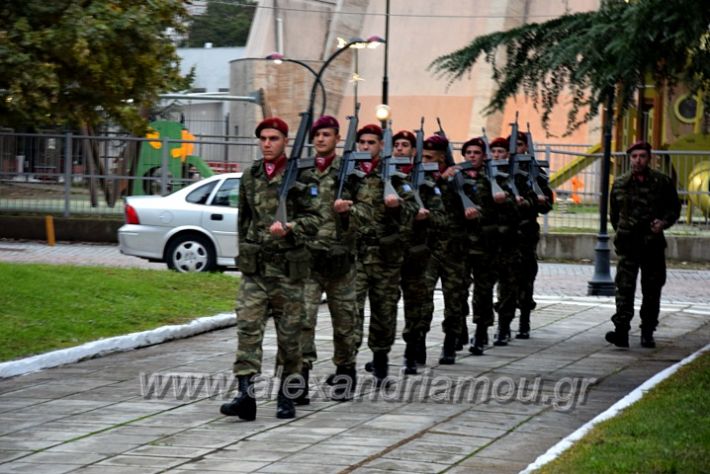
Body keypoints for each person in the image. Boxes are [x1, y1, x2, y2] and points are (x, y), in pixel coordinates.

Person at [220, 117, 323, 421]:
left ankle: (286, 396)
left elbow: (316, 220)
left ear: (285, 141)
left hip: (288, 272)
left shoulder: (303, 176)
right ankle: (245, 396)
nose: (267, 144)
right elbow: (244, 219)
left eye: (273, 138)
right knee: (247, 330)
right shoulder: (251, 175)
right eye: (263, 138)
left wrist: (291, 227)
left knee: (290, 337)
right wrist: (245, 253)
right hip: (256, 270)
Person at [335, 123, 417, 385]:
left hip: (385, 257)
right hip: (356, 255)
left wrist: (396, 208)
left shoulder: (393, 177)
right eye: (363, 143)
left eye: (371, 143)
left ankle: (380, 361)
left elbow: (414, 211)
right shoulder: (350, 176)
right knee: (351, 313)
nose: (366, 147)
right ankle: (346, 369)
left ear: (382, 146)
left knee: (384, 311)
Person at [300, 115, 359, 401]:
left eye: (326, 135)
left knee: (345, 322)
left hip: (341, 263)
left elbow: (371, 216)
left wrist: (348, 213)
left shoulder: (352, 173)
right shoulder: (301, 172)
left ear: (337, 138)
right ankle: (299, 380)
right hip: (309, 261)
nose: (321, 139)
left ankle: (345, 374)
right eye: (317, 135)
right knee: (303, 321)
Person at [605, 141, 680, 348]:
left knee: (652, 289)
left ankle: (647, 331)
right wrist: (623, 231)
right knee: (624, 288)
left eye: (642, 156)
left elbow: (674, 209)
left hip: (652, 245)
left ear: (649, 158)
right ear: (629, 158)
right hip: (628, 245)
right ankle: (621, 331)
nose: (638, 160)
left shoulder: (661, 182)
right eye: (634, 156)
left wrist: (663, 222)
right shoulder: (620, 183)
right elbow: (614, 215)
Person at [394, 130, 446, 374]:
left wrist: (425, 216)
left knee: (416, 303)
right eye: (396, 145)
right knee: (385, 304)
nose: (400, 149)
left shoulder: (426, 182)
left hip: (417, 252)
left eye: (405, 145)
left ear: (414, 151)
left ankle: (414, 346)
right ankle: (381, 351)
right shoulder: (387, 179)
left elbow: (441, 217)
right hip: (390, 252)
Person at [420, 135, 470, 365]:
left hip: (453, 248)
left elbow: (471, 203)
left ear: (442, 156)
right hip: (428, 247)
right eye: (423, 155)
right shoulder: (421, 177)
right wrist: (439, 179)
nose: (426, 159)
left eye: (430, 156)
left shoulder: (459, 176)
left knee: (454, 298)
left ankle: (450, 341)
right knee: (422, 297)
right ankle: (417, 342)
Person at [458, 138, 508, 355]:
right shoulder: (456, 178)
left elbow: (509, 214)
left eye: (476, 152)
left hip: (485, 245)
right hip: (459, 245)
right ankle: (458, 329)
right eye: (468, 152)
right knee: (458, 291)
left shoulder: (494, 180)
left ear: (483, 156)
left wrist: (501, 202)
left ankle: (481, 331)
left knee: (483, 291)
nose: (472, 156)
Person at [509, 133, 554, 339]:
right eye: (512, 145)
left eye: (518, 145)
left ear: (526, 147)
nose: (515, 149)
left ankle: (524, 318)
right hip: (504, 232)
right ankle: (504, 321)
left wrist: (534, 202)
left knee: (526, 276)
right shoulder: (499, 170)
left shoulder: (534, 172)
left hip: (526, 232)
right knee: (506, 278)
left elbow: (546, 204)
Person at [487, 136, 525, 346]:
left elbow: (523, 207)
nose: (497, 155)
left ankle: (504, 326)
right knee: (484, 287)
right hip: (487, 241)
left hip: (510, 240)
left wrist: (513, 201)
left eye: (501, 151)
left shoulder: (516, 177)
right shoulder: (483, 177)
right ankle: (482, 326)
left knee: (508, 287)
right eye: (494, 151)